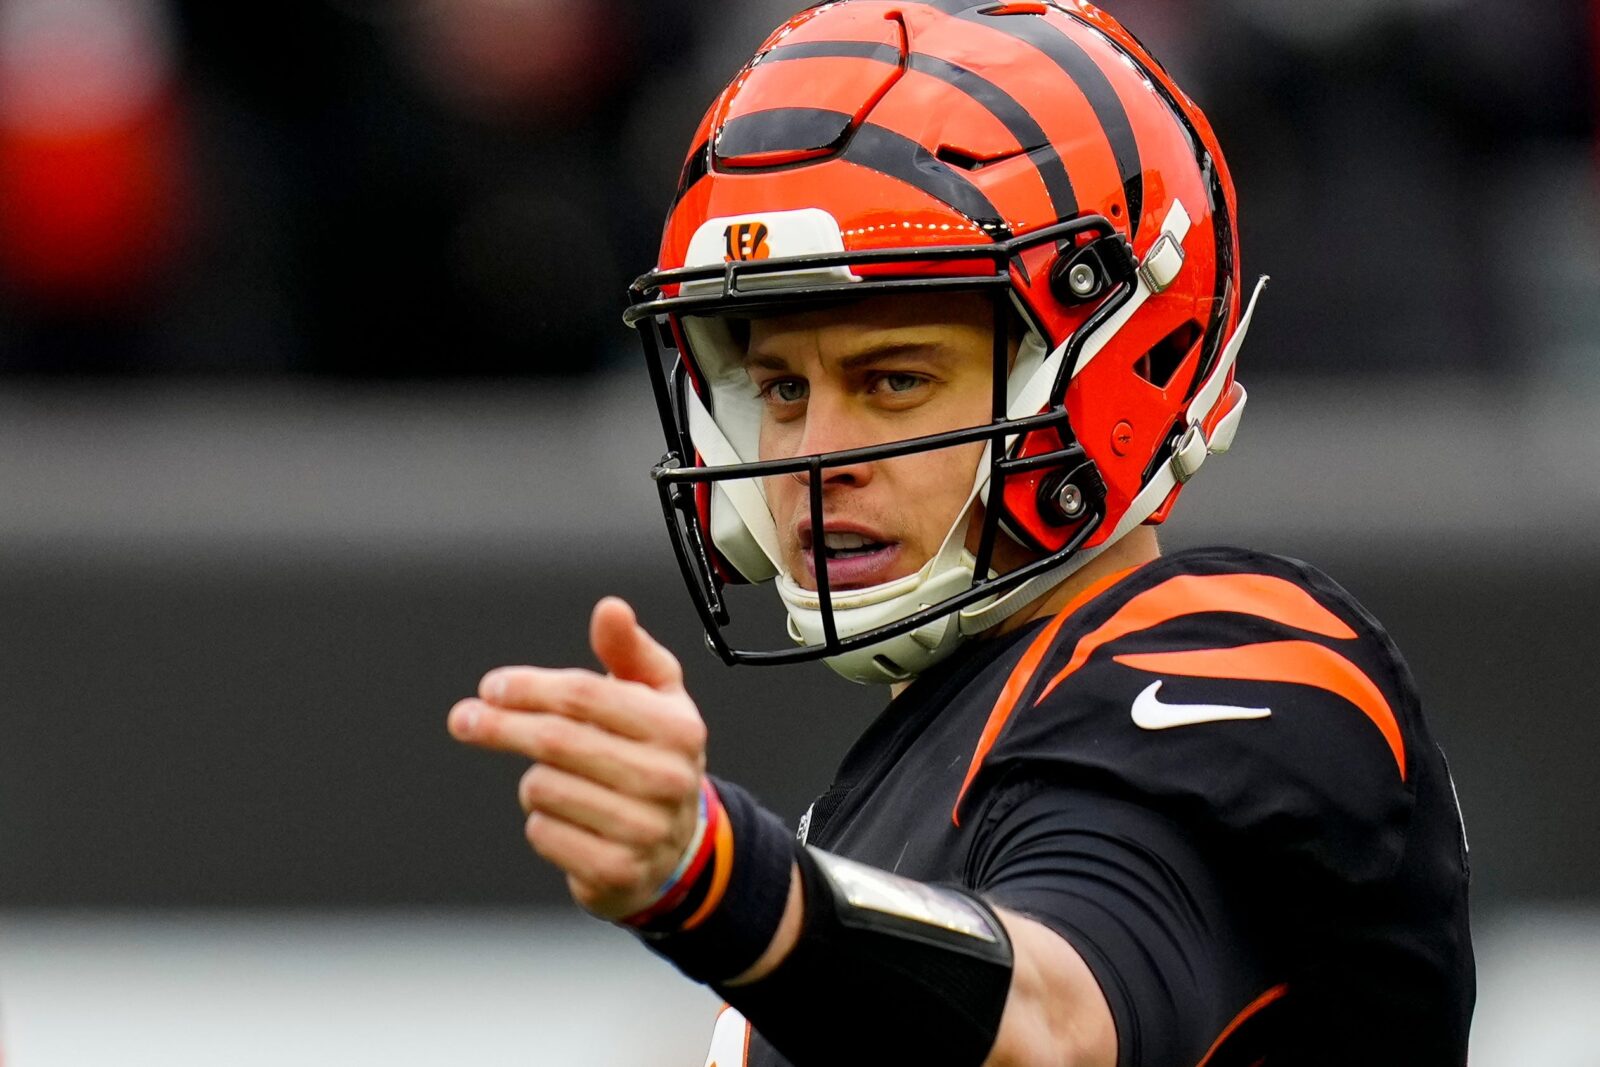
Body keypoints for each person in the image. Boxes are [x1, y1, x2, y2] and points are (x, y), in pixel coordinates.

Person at [448, 2, 1475, 1063]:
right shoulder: (893, 792)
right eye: (781, 388)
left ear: (1106, 368)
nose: (815, 454)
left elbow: (1056, 1024)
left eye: (894, 379)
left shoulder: (1241, 658)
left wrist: (726, 883)